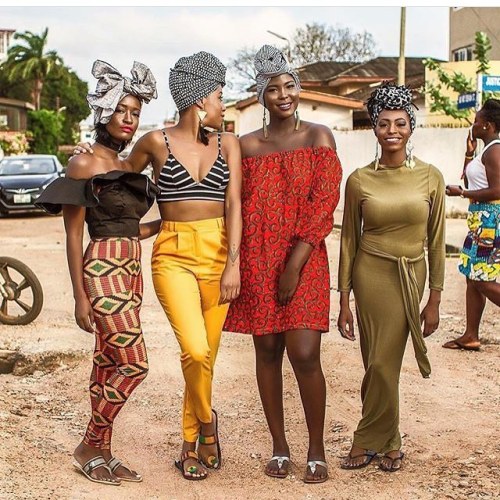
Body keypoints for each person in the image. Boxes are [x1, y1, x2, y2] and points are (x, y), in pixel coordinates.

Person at [75, 51, 242, 480]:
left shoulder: (229, 142)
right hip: (172, 255)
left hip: (220, 254)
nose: (225, 104)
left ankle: (191, 443)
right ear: (200, 97)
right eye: (220, 95)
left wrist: (234, 265)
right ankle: (207, 422)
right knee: (195, 350)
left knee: (204, 360)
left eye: (134, 111)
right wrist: (86, 153)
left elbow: (235, 204)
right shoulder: (153, 142)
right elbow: (115, 190)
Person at [36, 60, 159, 485]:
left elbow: (128, 228)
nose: (129, 119)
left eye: (135, 112)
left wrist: (165, 225)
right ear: (103, 112)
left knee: (108, 361)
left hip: (131, 271)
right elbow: (73, 236)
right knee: (134, 364)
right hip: (102, 272)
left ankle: (102, 453)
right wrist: (79, 296)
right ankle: (90, 443)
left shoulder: (127, 167)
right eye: (121, 110)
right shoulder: (84, 164)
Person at [224, 45, 342, 484]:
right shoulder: (246, 145)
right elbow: (227, 193)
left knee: (305, 353)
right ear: (261, 97)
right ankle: (279, 446)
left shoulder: (318, 136)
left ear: (299, 89)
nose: (283, 94)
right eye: (272, 89)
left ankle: (316, 447)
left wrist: (294, 263)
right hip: (257, 259)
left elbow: (323, 203)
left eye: (289, 85)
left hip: (304, 258)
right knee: (267, 351)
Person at [337, 81, 446, 472]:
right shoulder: (359, 180)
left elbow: (435, 241)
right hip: (370, 274)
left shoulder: (431, 178)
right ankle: (386, 442)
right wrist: (343, 298)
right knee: (376, 362)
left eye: (401, 123)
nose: (393, 131)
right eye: (384, 124)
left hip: (410, 276)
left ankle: (372, 438)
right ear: (375, 129)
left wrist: (434, 297)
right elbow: (349, 239)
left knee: (387, 363)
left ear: (411, 127)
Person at [443, 99, 500, 351]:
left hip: (490, 220)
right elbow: (470, 177)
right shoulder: (484, 149)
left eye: (477, 121)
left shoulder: (495, 151)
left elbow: (498, 190)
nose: (473, 124)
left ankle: (471, 334)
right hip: (480, 220)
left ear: (487, 125)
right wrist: (469, 152)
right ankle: (471, 335)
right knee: (471, 277)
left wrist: (462, 193)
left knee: (481, 280)